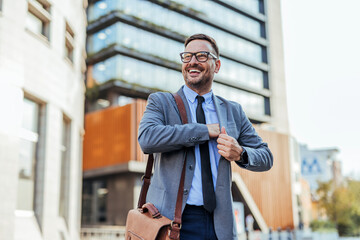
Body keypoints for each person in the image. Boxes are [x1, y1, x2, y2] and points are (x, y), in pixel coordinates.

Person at [138, 33, 273, 240]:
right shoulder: (161, 102)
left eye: (201, 56)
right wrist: (203, 130)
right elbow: (147, 138)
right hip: (171, 224)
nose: (192, 61)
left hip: (220, 225)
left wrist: (240, 154)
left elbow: (266, 157)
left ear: (216, 65)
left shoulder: (233, 111)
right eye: (187, 56)